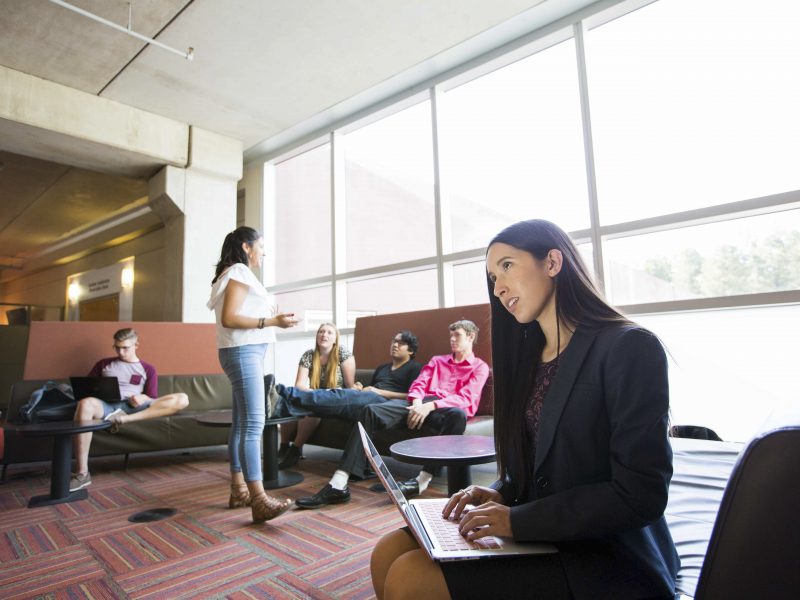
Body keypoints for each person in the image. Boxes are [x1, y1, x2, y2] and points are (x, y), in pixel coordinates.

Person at [371, 220, 679, 600]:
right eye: (492, 277)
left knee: (409, 578)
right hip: (543, 530)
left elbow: (640, 494)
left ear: (552, 262)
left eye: (506, 266)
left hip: (605, 552)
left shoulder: (628, 347)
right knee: (388, 552)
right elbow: (541, 468)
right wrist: (501, 492)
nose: (497, 288)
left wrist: (517, 520)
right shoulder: (527, 361)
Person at [295, 320, 489, 509]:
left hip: (444, 409)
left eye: (458, 335)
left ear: (471, 337)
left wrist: (431, 406)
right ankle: (339, 483)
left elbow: (467, 398)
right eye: (451, 335)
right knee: (370, 411)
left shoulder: (480, 367)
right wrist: (418, 402)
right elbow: (419, 384)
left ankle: (421, 481)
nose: (452, 339)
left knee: (458, 417)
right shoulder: (437, 361)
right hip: (418, 404)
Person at [208, 226, 299, 523]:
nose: (263, 252)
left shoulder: (230, 272)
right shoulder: (238, 271)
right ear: (247, 247)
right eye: (261, 246)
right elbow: (230, 317)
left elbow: (234, 314)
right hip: (243, 352)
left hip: (241, 351)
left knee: (241, 424)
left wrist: (271, 319)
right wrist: (272, 320)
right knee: (253, 425)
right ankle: (259, 499)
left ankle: (238, 489)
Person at [70, 328, 190, 491]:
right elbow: (86, 389)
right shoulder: (104, 364)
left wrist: (143, 397)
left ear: (136, 345)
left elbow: (152, 396)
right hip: (108, 406)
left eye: (125, 348)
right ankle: (82, 472)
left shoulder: (148, 368)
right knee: (85, 403)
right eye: (117, 347)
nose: (121, 352)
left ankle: (122, 419)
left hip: (134, 409)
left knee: (182, 398)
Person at [277, 322, 356, 469]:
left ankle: (295, 450)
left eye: (329, 332)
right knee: (287, 402)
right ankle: (283, 446)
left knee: (313, 411)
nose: (324, 335)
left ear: (335, 339)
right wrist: (314, 393)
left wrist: (321, 395)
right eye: (321, 332)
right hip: (314, 395)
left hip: (336, 398)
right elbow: (299, 385)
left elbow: (349, 386)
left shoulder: (343, 354)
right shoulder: (308, 355)